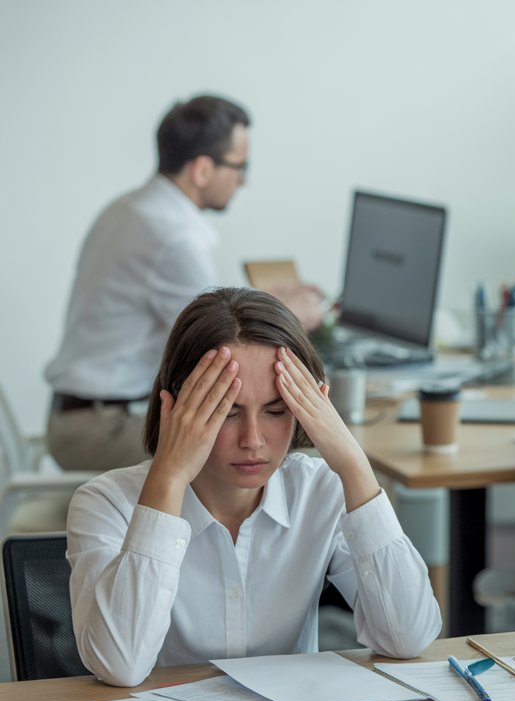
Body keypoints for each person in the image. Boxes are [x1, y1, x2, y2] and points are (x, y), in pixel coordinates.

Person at [67, 287, 440, 687]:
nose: (253, 440)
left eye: (276, 411)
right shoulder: (106, 503)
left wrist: (352, 463)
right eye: (227, 412)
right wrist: (169, 479)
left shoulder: (320, 491)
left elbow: (408, 637)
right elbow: (119, 665)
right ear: (175, 408)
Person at [45, 94, 323, 471]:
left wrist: (268, 300)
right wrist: (292, 312)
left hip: (80, 416)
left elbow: (204, 309)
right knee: (288, 454)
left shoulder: (130, 209)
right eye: (239, 166)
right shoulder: (172, 235)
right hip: (104, 429)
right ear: (202, 169)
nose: (243, 180)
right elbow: (221, 343)